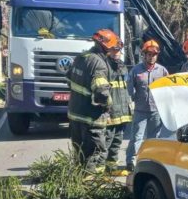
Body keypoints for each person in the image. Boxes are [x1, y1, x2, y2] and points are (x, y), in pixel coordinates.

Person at [67, 29, 118, 174]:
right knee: (94, 153)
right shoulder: (99, 64)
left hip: (75, 115)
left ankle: (77, 179)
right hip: (91, 119)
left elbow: (68, 80)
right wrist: (109, 106)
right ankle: (89, 182)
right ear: (106, 46)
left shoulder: (80, 57)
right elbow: (101, 93)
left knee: (79, 153)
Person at [125, 40, 169, 172]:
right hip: (140, 110)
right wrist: (131, 102)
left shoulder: (162, 71)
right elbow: (129, 88)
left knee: (153, 139)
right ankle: (131, 162)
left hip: (156, 111)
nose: (151, 57)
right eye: (149, 54)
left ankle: (150, 161)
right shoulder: (136, 70)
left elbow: (168, 89)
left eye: (154, 54)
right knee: (136, 138)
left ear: (157, 55)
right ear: (144, 54)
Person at [103, 33, 134, 176]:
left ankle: (111, 167)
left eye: (118, 50)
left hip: (123, 111)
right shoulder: (105, 66)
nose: (117, 53)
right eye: (114, 50)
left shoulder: (123, 67)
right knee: (106, 141)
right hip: (111, 110)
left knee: (117, 141)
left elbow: (126, 88)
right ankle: (101, 169)